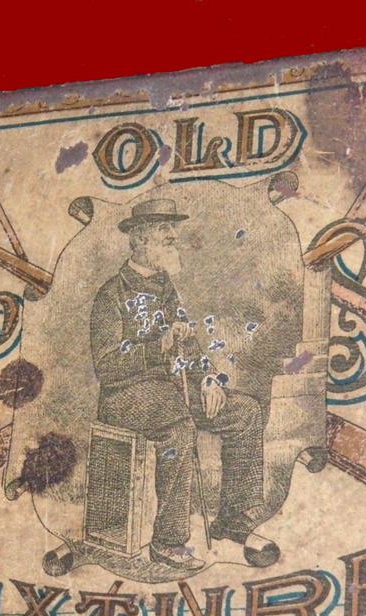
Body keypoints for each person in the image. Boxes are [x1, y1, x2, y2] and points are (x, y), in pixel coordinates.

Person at [89, 199, 266, 569]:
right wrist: (158, 347)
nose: (173, 236)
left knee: (246, 412)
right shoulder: (111, 295)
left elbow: (189, 345)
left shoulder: (166, 288)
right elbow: (106, 366)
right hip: (126, 396)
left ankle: (234, 519)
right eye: (164, 230)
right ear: (140, 239)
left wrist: (209, 380)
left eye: (173, 229)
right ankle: (168, 543)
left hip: (174, 390)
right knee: (179, 428)